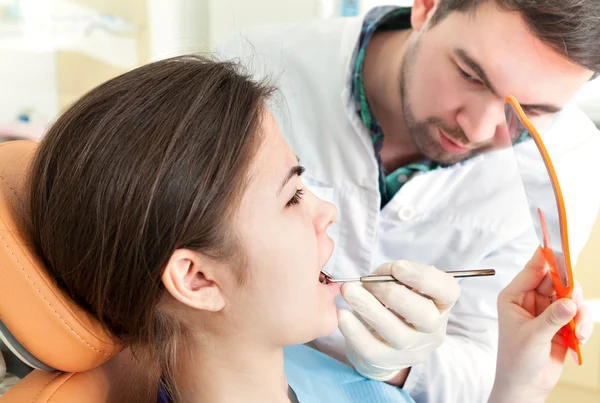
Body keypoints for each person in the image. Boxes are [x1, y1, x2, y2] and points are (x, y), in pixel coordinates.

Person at [24, 55, 591, 403]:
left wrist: (520, 383)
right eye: (294, 195)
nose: (329, 210)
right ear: (196, 278)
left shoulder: (323, 374)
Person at [217, 1, 600, 401]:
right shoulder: (252, 68)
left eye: (531, 112)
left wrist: (406, 365)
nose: (478, 129)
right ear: (426, 7)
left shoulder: (569, 163)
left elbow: (492, 364)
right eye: (470, 76)